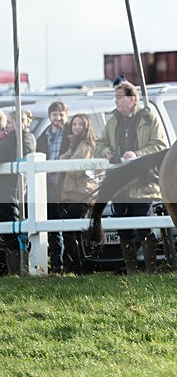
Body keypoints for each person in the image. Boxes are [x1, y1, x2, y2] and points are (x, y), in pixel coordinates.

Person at [94, 81, 169, 274]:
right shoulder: (112, 121)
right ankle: (131, 269)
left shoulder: (149, 118)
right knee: (123, 228)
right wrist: (105, 152)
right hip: (120, 183)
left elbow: (160, 145)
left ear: (132, 99)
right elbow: (99, 143)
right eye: (116, 97)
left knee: (144, 226)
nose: (116, 101)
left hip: (143, 181)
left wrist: (137, 155)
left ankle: (150, 269)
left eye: (120, 97)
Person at [58, 114, 99, 274]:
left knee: (72, 230)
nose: (76, 127)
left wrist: (66, 158)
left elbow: (75, 171)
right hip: (71, 193)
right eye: (74, 124)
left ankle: (79, 266)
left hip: (81, 194)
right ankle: (77, 266)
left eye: (80, 125)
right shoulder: (73, 145)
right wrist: (67, 156)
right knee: (72, 230)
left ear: (86, 126)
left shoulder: (85, 145)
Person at [0, 110, 36, 275]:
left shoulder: (23, 138)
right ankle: (13, 269)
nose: (7, 126)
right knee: (9, 232)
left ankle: (19, 269)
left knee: (14, 231)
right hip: (7, 190)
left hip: (12, 191)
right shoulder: (12, 138)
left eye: (9, 123)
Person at [35, 101, 68, 273]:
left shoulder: (70, 135)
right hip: (46, 186)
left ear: (66, 115)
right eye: (55, 114)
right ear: (50, 116)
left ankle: (62, 263)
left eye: (61, 114)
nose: (58, 118)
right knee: (48, 224)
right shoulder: (42, 137)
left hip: (63, 186)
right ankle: (53, 264)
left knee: (61, 225)